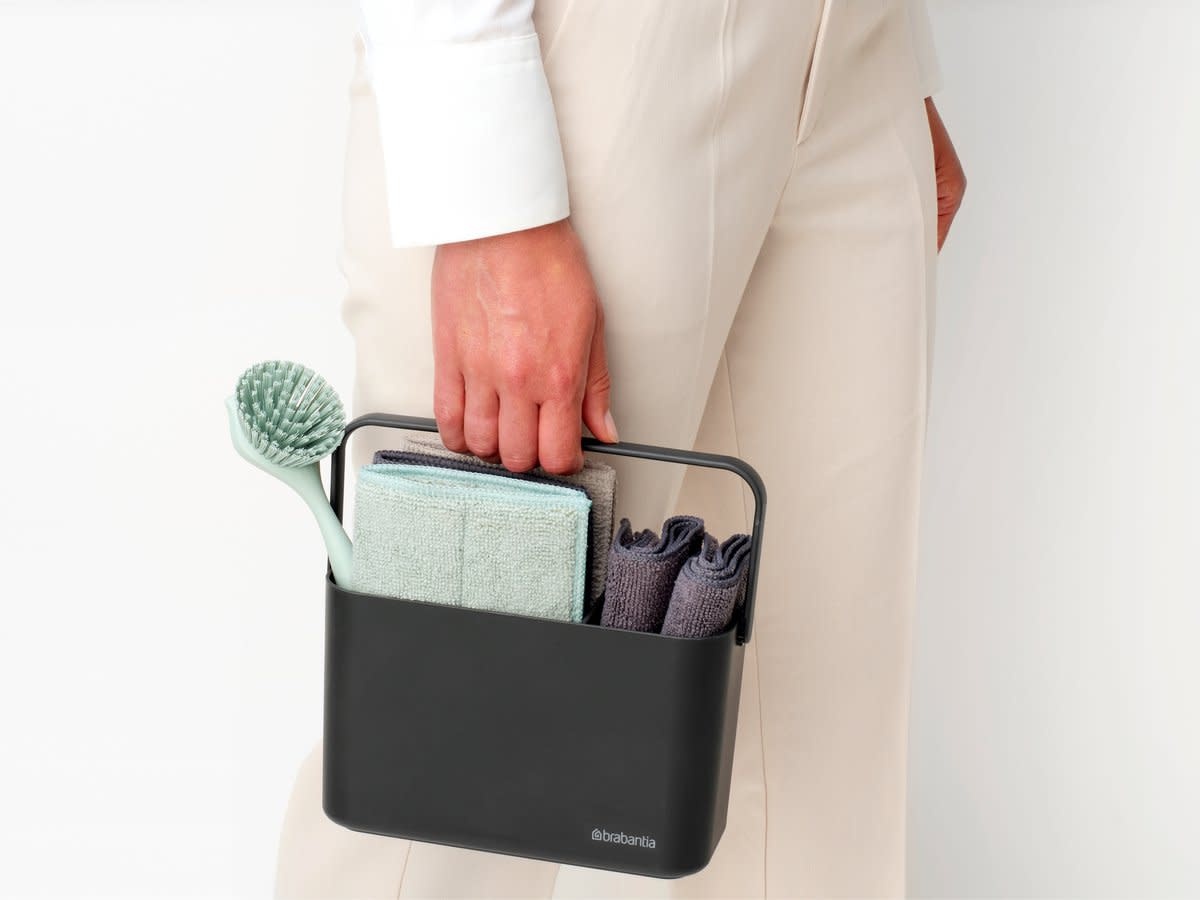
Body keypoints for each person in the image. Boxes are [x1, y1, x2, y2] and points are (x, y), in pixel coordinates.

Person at [276, 0, 966, 896]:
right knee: (450, 773)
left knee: (812, 744)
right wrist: (489, 196)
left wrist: (877, 53)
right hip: (597, 63)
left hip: (852, 58)